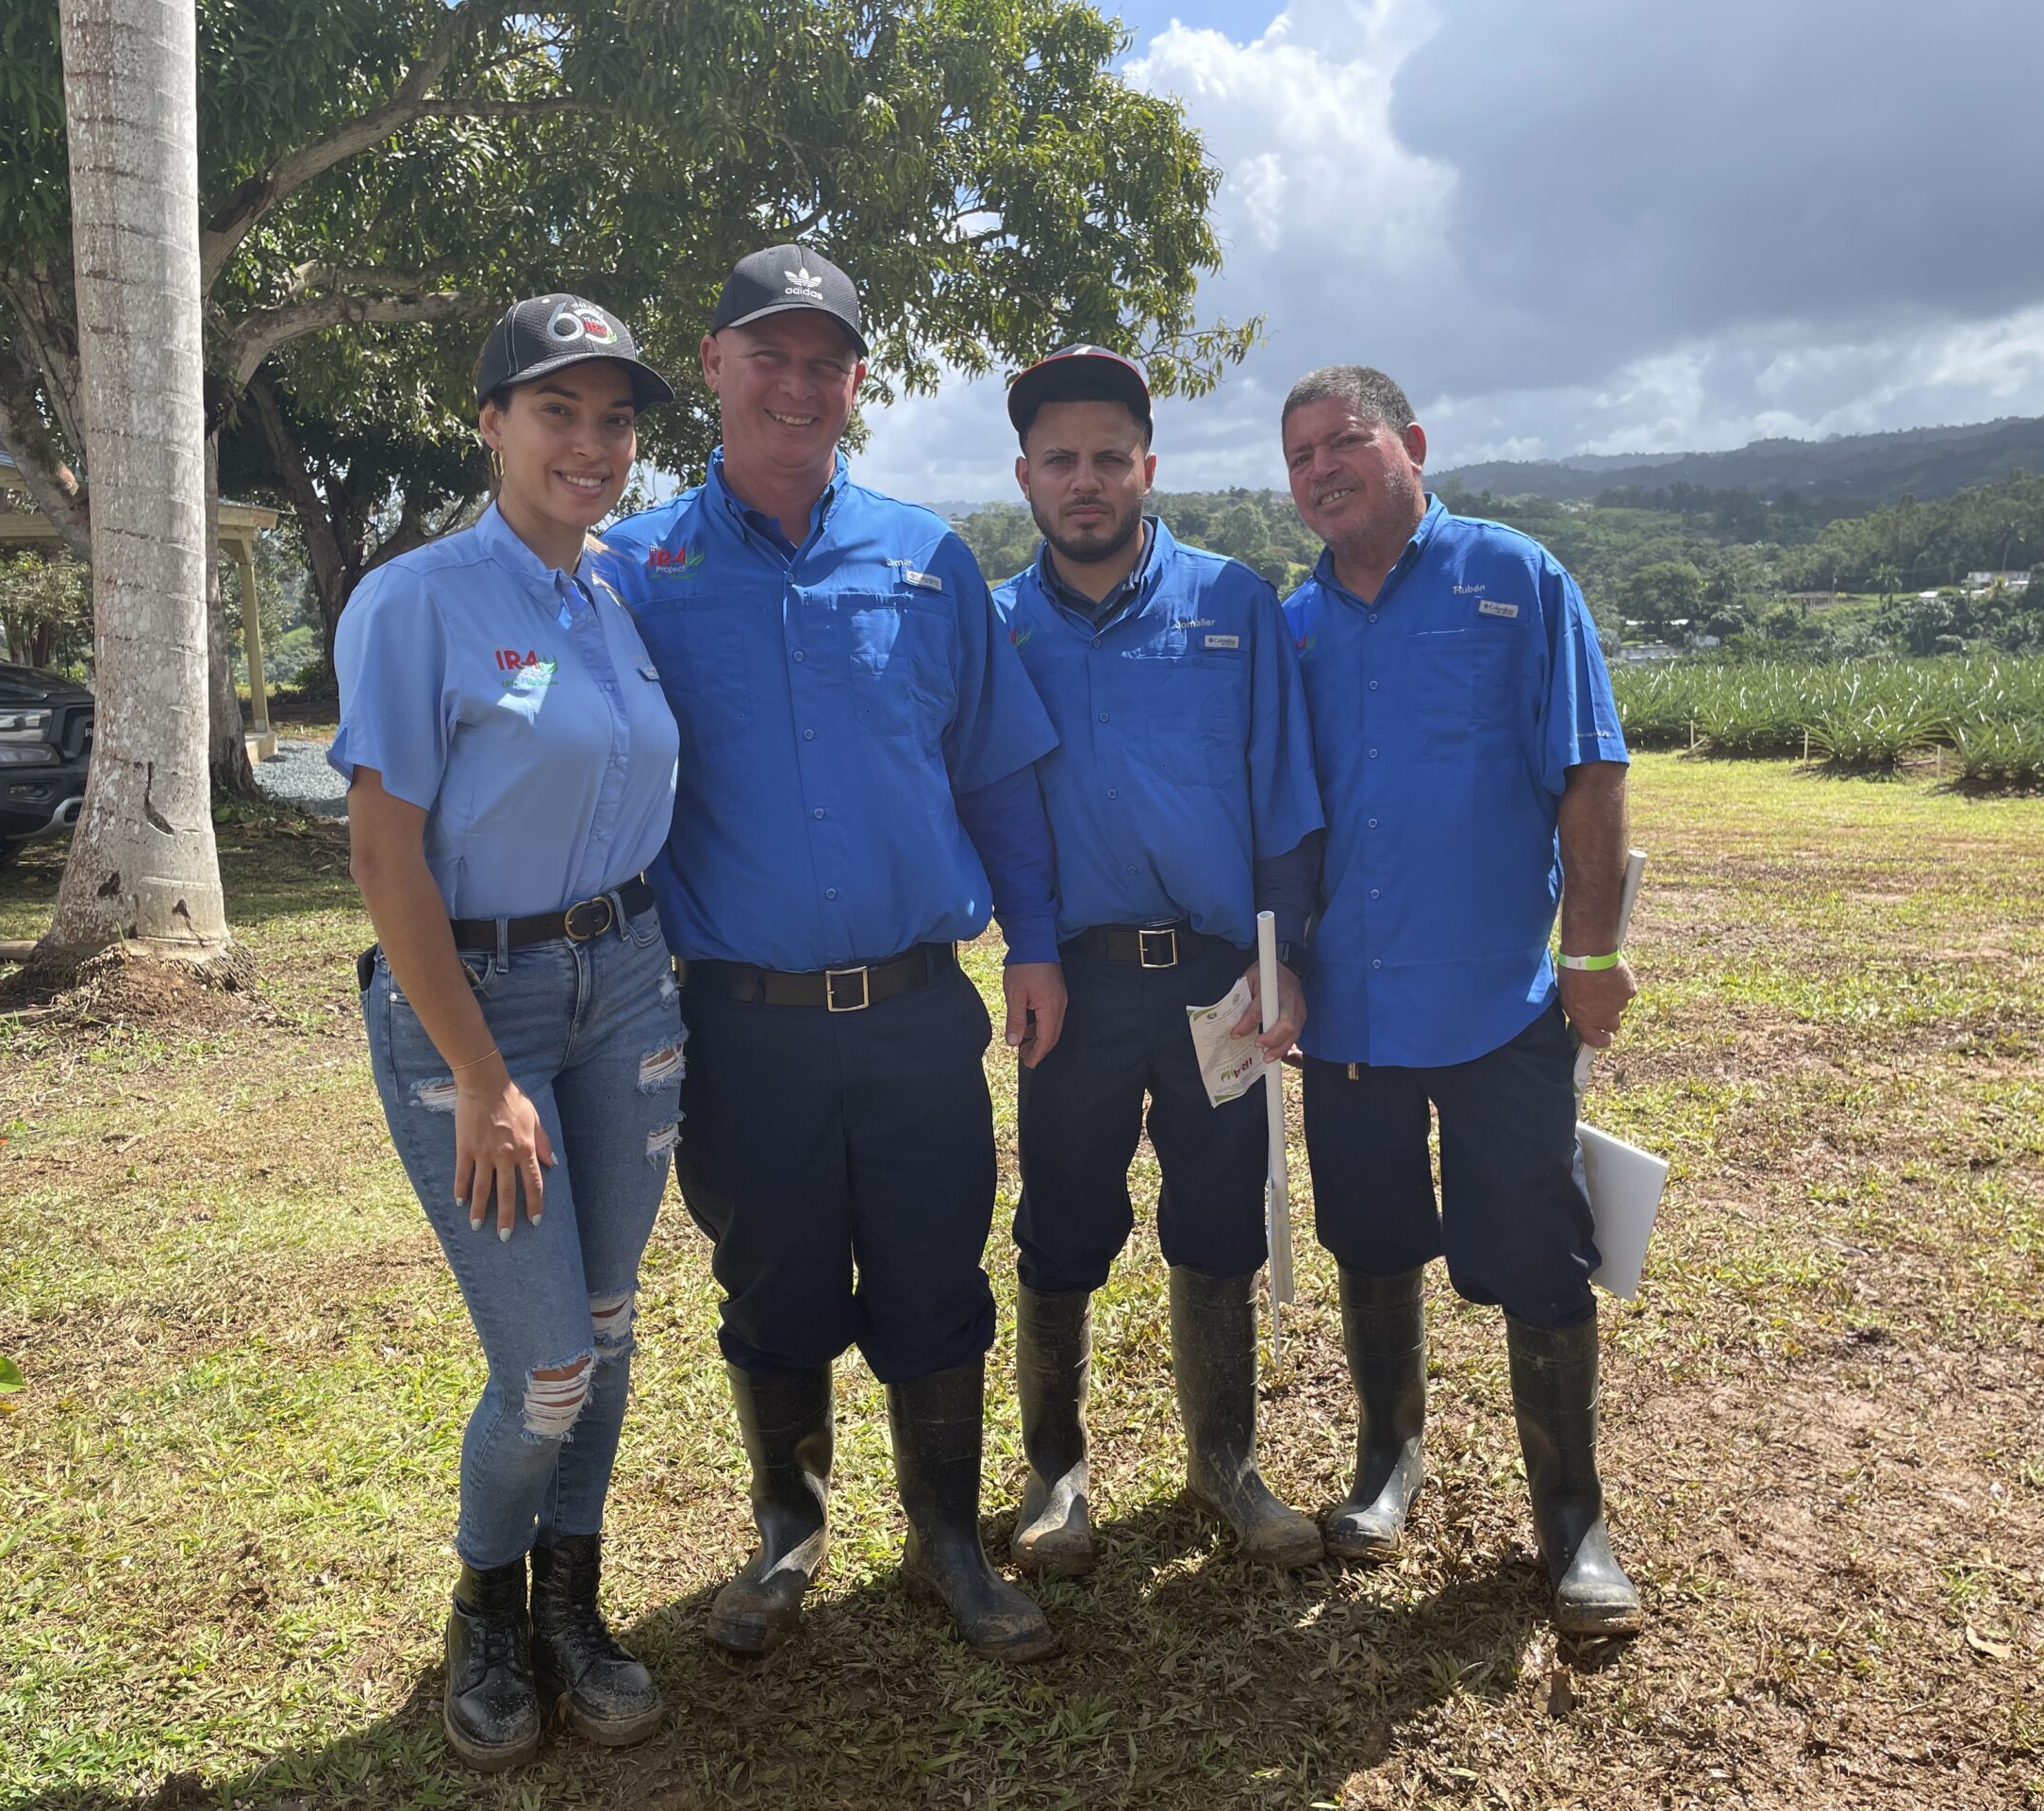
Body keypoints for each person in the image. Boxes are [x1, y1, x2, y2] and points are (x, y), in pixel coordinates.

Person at [606, 245, 1067, 1664]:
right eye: (770, 354)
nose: (797, 384)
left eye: (825, 361)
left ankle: (946, 1538)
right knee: (775, 1279)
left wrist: (1036, 948)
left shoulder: (928, 562)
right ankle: (788, 1531)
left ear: (856, 382)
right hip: (742, 1024)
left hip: (921, 1011)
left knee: (937, 1273)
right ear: (715, 365)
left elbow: (995, 777)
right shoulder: (632, 570)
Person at [331, 294, 686, 1769]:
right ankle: (485, 1610)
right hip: (478, 1013)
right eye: (558, 412)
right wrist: (481, 1075)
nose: (590, 444)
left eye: (613, 419)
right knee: (544, 1363)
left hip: (630, 983)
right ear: (490, 423)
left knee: (606, 1332)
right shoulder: (417, 603)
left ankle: (571, 1607)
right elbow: (382, 857)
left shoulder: (618, 596)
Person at [1278, 364, 1645, 1637]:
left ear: (1412, 445)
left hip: (1501, 1003)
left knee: (1536, 1260)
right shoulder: (1296, 627)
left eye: (1346, 441)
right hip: (1351, 1016)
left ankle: (1573, 1517)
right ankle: (1389, 1463)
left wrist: (1591, 957)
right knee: (1371, 1244)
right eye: (1301, 454)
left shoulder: (1516, 580)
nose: (1322, 467)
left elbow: (1588, 776)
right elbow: (1280, 819)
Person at [989, 345, 1325, 1575]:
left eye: (1110, 460)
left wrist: (1286, 959)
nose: (1087, 482)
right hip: (1070, 978)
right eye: (1062, 461)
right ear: (1026, 474)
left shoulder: (1233, 603)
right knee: (1063, 1219)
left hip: (1218, 978)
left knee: (1219, 1216)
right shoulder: (1001, 628)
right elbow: (1003, 812)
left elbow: (1283, 795)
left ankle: (1225, 1462)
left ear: (1148, 468)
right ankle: (1055, 1472)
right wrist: (1026, 950)